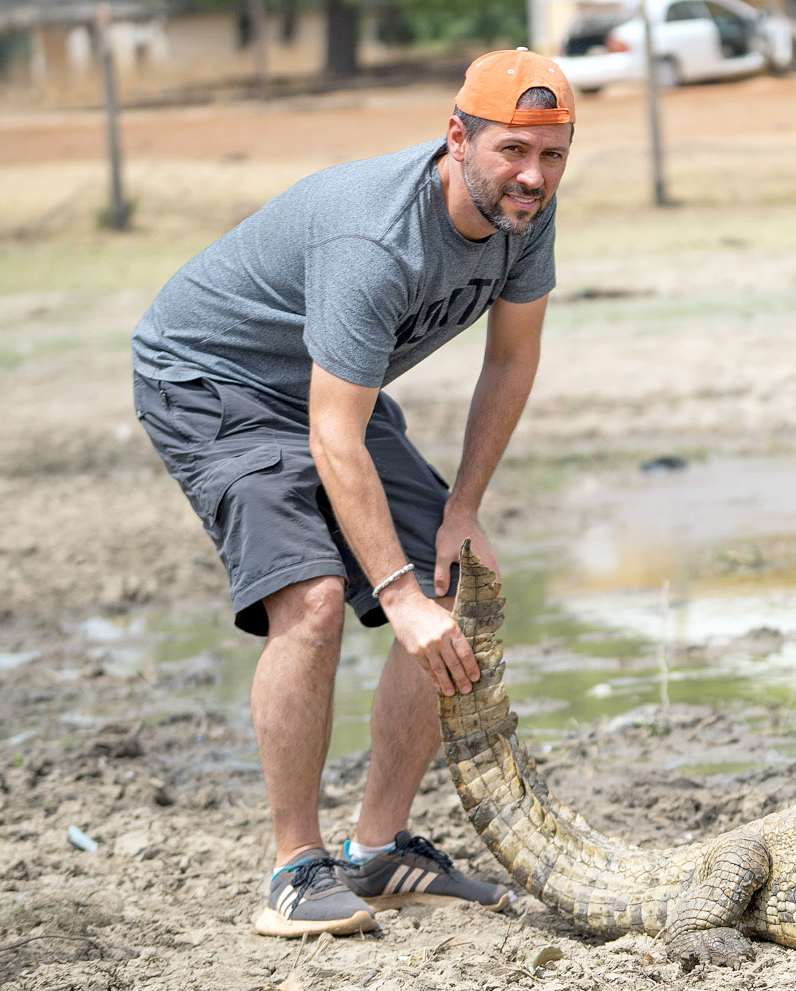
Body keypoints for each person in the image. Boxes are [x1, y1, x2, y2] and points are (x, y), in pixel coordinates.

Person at [130, 49, 576, 937]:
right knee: (317, 595)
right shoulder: (376, 239)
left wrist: (461, 511)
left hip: (334, 381)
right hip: (212, 380)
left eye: (553, 153)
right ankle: (296, 867)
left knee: (457, 575)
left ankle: (378, 852)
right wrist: (397, 596)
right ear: (458, 138)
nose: (533, 174)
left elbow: (512, 357)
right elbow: (331, 439)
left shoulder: (528, 214)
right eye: (512, 152)